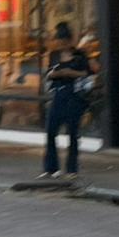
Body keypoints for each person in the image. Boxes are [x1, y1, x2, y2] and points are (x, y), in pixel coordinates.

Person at [41, 23, 91, 179]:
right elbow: (49, 73)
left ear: (69, 41)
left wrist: (70, 72)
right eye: (58, 41)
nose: (61, 45)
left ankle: (72, 169)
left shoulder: (79, 56)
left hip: (74, 96)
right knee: (51, 131)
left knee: (73, 133)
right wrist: (55, 74)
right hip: (58, 94)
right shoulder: (54, 55)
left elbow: (85, 73)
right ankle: (51, 168)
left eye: (64, 41)